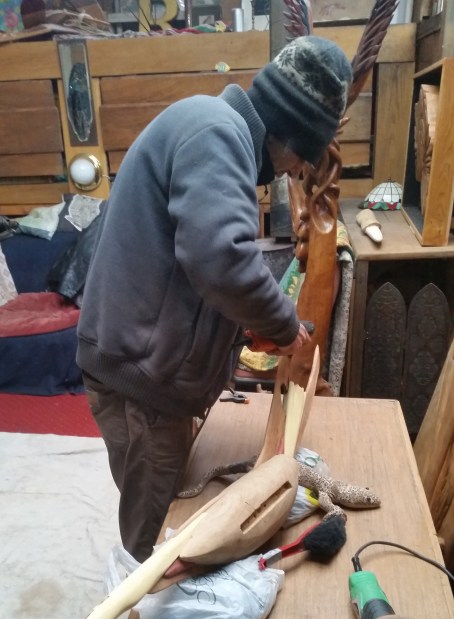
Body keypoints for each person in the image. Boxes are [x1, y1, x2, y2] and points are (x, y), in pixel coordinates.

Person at [77, 35, 352, 563]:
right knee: (157, 538)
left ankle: (147, 586)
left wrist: (239, 329)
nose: (296, 172)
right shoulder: (217, 133)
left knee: (164, 505)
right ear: (288, 133)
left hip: (141, 368)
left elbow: (186, 268)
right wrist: (281, 323)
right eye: (302, 158)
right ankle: (138, 605)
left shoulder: (211, 126)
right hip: (143, 386)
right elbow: (220, 257)